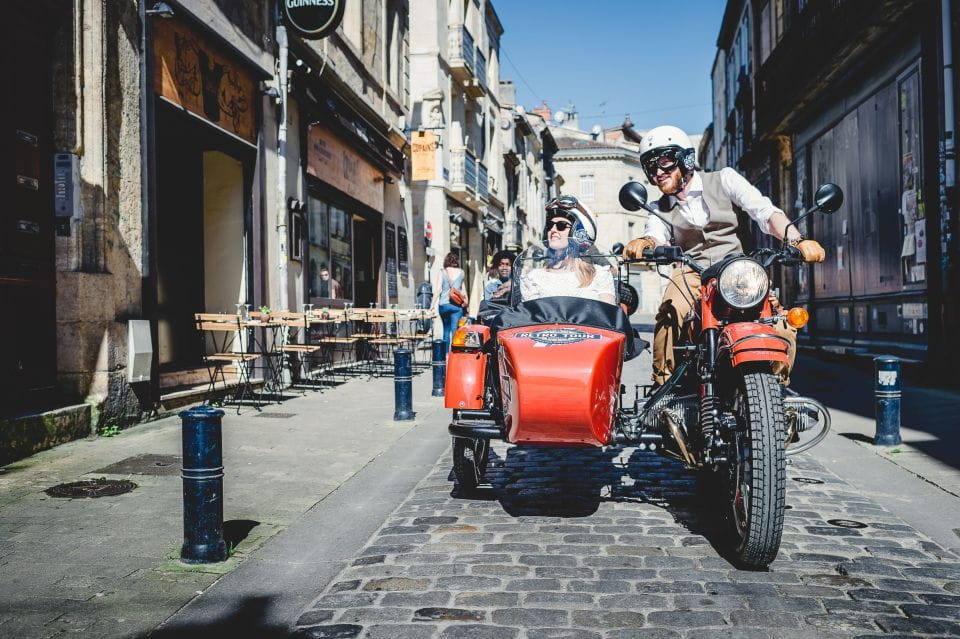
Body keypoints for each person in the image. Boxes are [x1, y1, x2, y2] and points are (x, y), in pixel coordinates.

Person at [622, 125, 825, 385]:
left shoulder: (724, 178)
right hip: (691, 272)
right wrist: (646, 241)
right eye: (650, 167)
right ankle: (665, 388)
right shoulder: (657, 207)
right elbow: (656, 232)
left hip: (738, 270)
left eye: (664, 161)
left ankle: (776, 394)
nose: (658, 172)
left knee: (777, 320)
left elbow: (764, 212)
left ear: (685, 158)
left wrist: (797, 239)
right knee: (672, 310)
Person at [520, 195, 616, 305]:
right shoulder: (534, 278)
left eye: (561, 226)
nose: (553, 230)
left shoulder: (599, 275)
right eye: (550, 225)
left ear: (579, 232)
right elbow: (531, 318)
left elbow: (608, 316)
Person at [431, 251, 467, 354]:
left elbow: (438, 290)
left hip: (443, 305)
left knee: (446, 330)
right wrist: (466, 301)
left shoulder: (442, 272)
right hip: (456, 306)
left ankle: (445, 355)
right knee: (455, 331)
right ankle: (454, 354)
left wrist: (432, 305)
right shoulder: (461, 272)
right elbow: (463, 290)